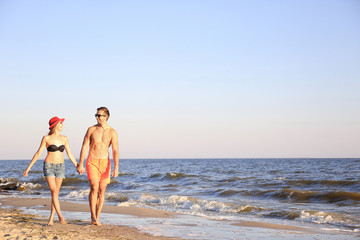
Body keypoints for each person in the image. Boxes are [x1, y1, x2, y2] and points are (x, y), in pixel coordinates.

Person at [24, 116, 78, 225]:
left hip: (61, 167)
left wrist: (77, 165)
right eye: (60, 123)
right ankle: (61, 217)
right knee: (54, 192)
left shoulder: (65, 138)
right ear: (55, 125)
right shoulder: (46, 138)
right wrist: (28, 168)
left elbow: (69, 153)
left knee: (56, 194)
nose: (62, 125)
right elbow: (38, 153)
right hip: (49, 166)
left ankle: (51, 218)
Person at [77, 107, 119, 226]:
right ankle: (93, 216)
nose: (97, 117)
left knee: (102, 190)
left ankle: (98, 216)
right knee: (94, 187)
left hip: (105, 163)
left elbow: (115, 150)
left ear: (106, 117)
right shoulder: (91, 129)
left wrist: (116, 167)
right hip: (92, 161)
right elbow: (84, 146)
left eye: (100, 115)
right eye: (96, 115)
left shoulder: (112, 132)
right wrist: (80, 164)